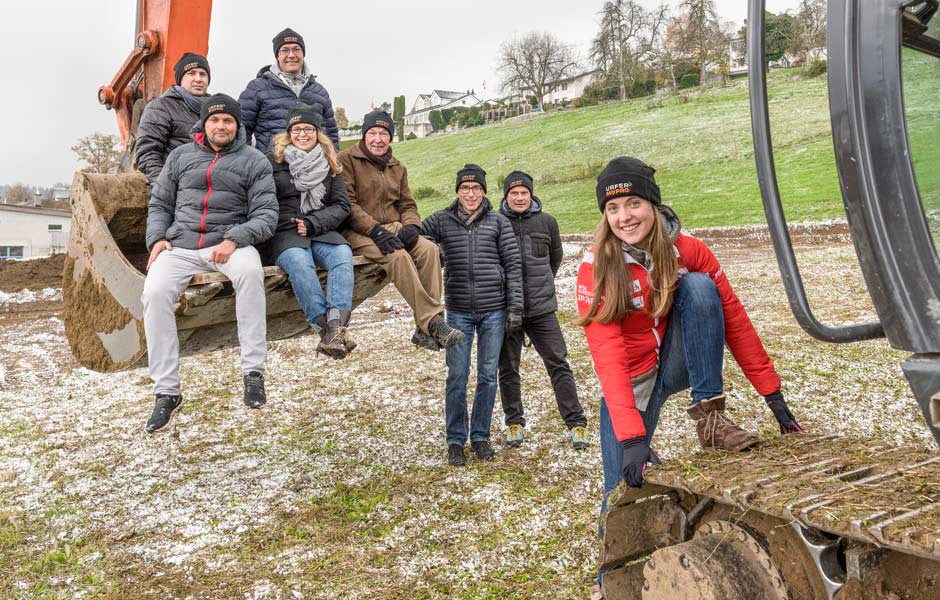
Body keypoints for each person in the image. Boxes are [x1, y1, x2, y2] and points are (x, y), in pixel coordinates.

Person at [576, 156, 802, 498]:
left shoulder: (686, 248)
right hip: (634, 376)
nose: (624, 217)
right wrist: (634, 440)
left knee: (699, 287)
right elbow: (607, 357)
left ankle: (710, 420)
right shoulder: (595, 268)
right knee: (618, 488)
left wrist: (773, 395)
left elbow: (734, 319)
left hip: (676, 359)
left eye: (634, 203)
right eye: (613, 208)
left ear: (653, 204)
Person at [142, 94, 278, 433]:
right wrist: (157, 239)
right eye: (215, 120)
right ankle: (166, 390)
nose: (221, 126)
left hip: (230, 242)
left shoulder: (254, 160)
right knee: (155, 292)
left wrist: (235, 239)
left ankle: (253, 372)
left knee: (249, 272)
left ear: (237, 126)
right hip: (182, 243)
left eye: (228, 121)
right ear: (203, 124)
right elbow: (159, 202)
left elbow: (266, 214)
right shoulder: (179, 157)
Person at [422, 164, 523, 466]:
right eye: (465, 188)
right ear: (457, 191)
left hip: (494, 309)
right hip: (458, 311)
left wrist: (515, 307)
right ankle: (455, 440)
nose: (470, 193)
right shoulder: (441, 219)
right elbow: (416, 237)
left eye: (476, 188)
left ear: (483, 191)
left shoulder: (498, 222)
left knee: (488, 376)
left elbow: (513, 265)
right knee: (457, 375)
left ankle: (480, 437)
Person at [339, 110, 464, 350]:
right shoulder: (347, 160)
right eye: (372, 133)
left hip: (393, 226)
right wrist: (375, 231)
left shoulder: (397, 167)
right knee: (398, 257)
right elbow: (348, 205)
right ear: (364, 136)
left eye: (383, 133)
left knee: (429, 250)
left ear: (391, 138)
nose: (378, 139)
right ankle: (434, 320)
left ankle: (423, 327)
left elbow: (407, 204)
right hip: (359, 230)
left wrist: (411, 226)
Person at [497, 171, 589, 450]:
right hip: (507, 309)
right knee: (508, 368)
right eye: (514, 193)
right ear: (506, 196)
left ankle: (576, 423)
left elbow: (555, 259)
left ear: (531, 194)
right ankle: (514, 422)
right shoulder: (496, 223)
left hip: (542, 308)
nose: (520, 197)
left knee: (558, 363)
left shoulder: (547, 222)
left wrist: (540, 285)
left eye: (524, 192)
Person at [257, 105, 356, 358]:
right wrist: (288, 222)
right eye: (297, 129)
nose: (303, 134)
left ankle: (337, 326)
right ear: (289, 133)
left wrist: (314, 222)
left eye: (308, 129)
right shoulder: (272, 162)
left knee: (342, 254)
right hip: (283, 233)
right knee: (300, 262)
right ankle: (326, 331)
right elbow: (263, 202)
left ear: (317, 132)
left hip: (318, 230)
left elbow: (342, 205)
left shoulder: (329, 162)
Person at [238, 28, 340, 154]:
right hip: (272, 168)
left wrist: (333, 162)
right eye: (284, 50)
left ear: (303, 54)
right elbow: (242, 130)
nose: (291, 55)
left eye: (296, 49)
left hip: (315, 169)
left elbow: (331, 134)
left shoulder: (320, 92)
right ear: (277, 56)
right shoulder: (257, 88)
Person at [135, 52, 211, 185]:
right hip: (175, 190)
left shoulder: (214, 111)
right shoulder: (161, 107)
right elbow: (147, 154)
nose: (198, 79)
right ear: (180, 79)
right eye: (191, 73)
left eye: (203, 74)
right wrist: (165, 187)